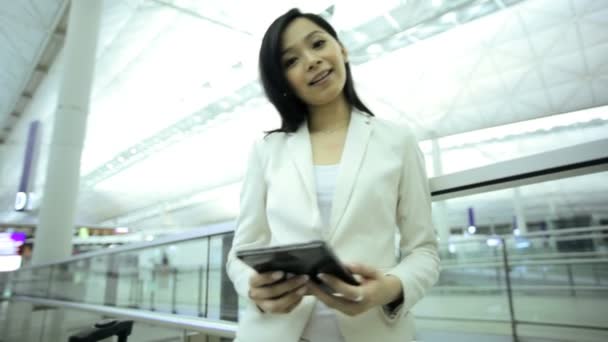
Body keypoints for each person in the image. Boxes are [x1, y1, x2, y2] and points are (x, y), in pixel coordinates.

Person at [226, 8, 439, 342]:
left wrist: (388, 289)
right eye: (290, 61)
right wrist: (254, 288)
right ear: (283, 81)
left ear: (342, 49)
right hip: (276, 332)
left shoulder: (397, 140)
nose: (311, 60)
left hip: (372, 330)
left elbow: (424, 251)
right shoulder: (267, 150)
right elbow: (243, 250)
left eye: (318, 44)